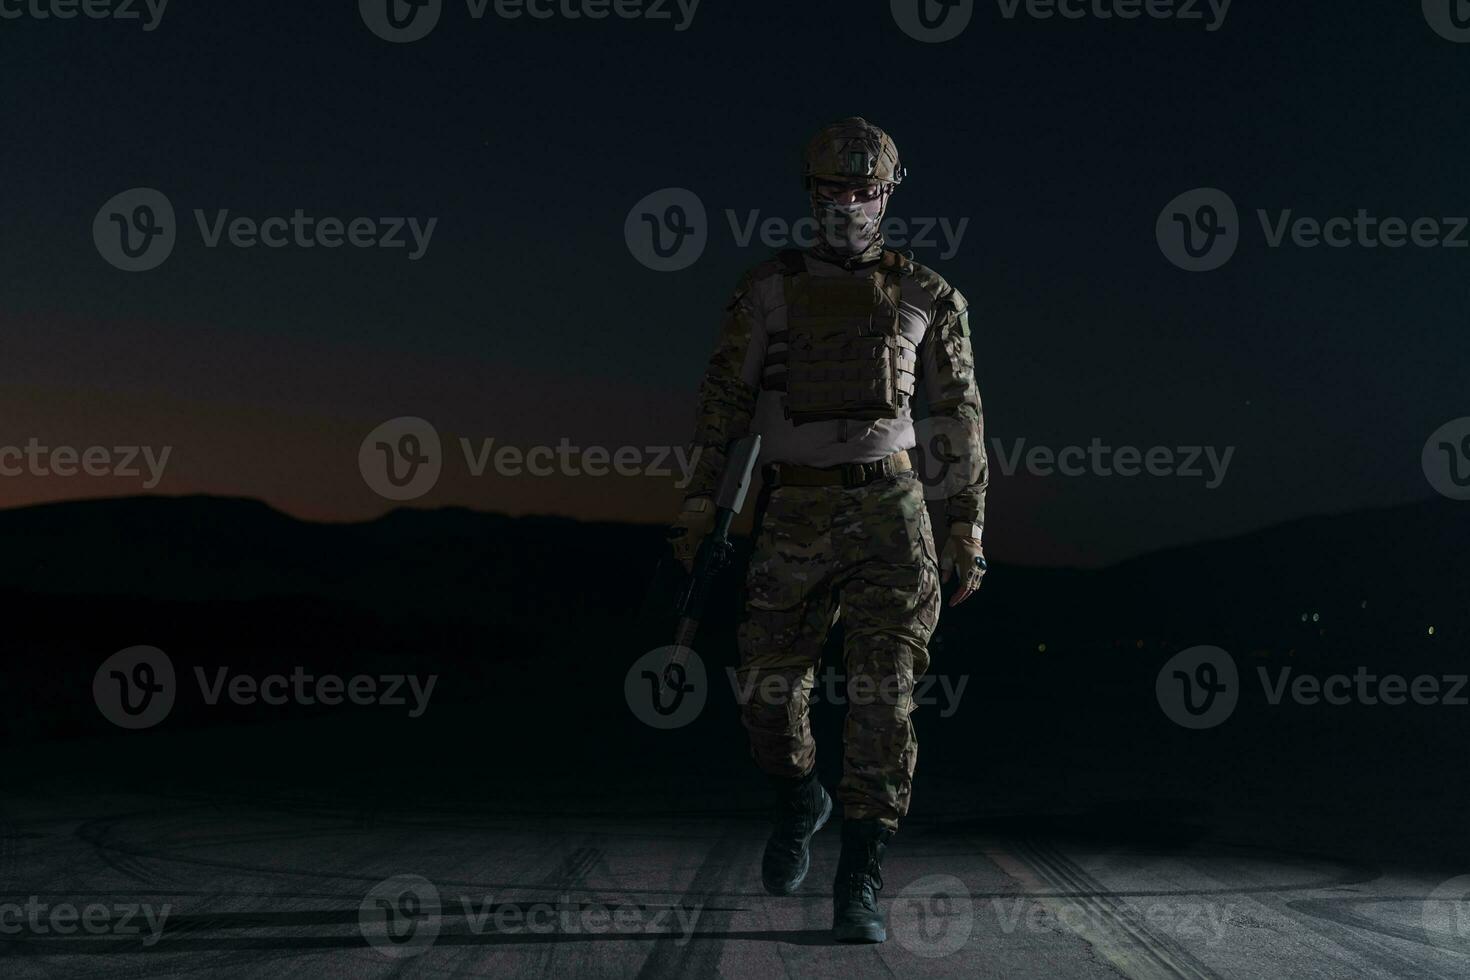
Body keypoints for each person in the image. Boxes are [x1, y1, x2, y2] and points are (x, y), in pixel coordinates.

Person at [668, 117, 988, 944]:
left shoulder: (929, 296)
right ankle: (797, 795)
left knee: (884, 702)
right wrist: (701, 504)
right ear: (810, 194)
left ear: (890, 194)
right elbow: (723, 407)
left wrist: (965, 532)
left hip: (893, 513)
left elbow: (956, 422)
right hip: (793, 511)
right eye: (833, 191)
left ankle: (861, 877)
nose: (849, 205)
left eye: (865, 191)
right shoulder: (766, 291)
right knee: (770, 701)